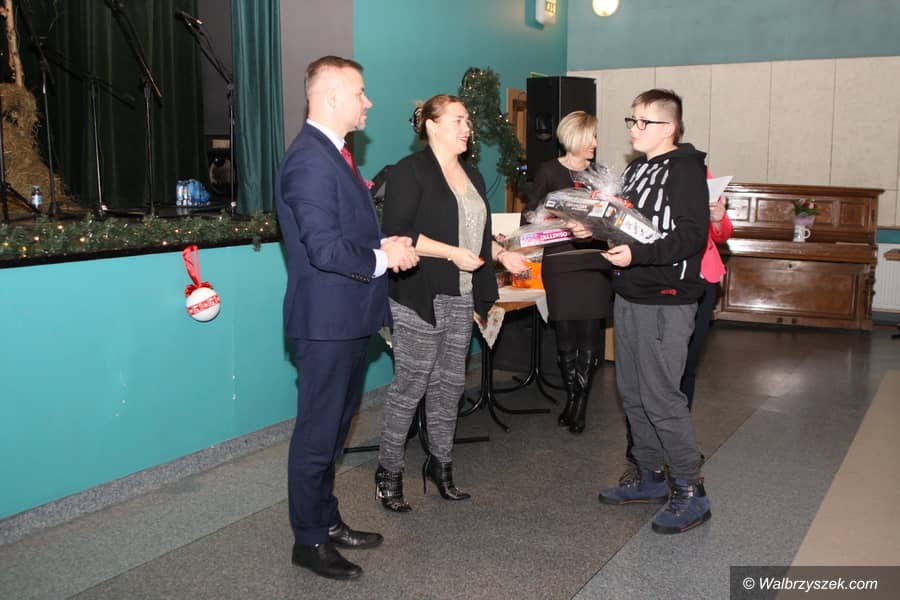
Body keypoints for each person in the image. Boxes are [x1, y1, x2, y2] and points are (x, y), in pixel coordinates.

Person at [275, 55, 419, 580]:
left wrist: (382, 243)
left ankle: (326, 520)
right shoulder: (310, 160)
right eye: (360, 92)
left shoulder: (334, 153)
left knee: (335, 430)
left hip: (347, 318)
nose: (368, 102)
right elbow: (324, 249)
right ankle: (309, 541)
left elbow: (345, 234)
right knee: (318, 435)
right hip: (326, 324)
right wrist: (384, 258)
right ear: (331, 95)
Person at [375, 94, 529, 513]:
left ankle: (440, 465)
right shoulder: (409, 171)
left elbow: (474, 235)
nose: (467, 129)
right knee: (411, 385)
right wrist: (451, 254)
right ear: (432, 125)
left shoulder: (472, 174)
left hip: (461, 294)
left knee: (450, 386)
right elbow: (397, 232)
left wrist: (501, 255)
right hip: (419, 295)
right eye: (458, 120)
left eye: (467, 122)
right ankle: (389, 471)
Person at [597, 89, 712, 534]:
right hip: (630, 293)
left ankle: (691, 490)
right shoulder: (636, 169)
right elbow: (628, 225)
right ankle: (650, 475)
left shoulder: (684, 170)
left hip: (666, 297)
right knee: (633, 392)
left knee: (662, 396)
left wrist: (638, 256)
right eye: (633, 120)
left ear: (671, 127)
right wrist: (592, 226)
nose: (635, 128)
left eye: (645, 121)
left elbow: (691, 236)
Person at [522, 111, 613, 434]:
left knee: (589, 338)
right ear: (574, 137)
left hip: (593, 262)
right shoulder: (549, 171)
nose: (595, 144)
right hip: (560, 261)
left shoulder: (600, 175)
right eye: (590, 137)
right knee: (564, 337)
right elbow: (529, 213)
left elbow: (611, 220)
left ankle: (580, 404)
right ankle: (572, 396)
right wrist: (556, 218)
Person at [680, 187, 733, 408]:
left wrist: (718, 219)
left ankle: (681, 419)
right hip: (661, 275)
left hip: (701, 276)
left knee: (690, 357)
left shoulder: (704, 178)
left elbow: (722, 234)